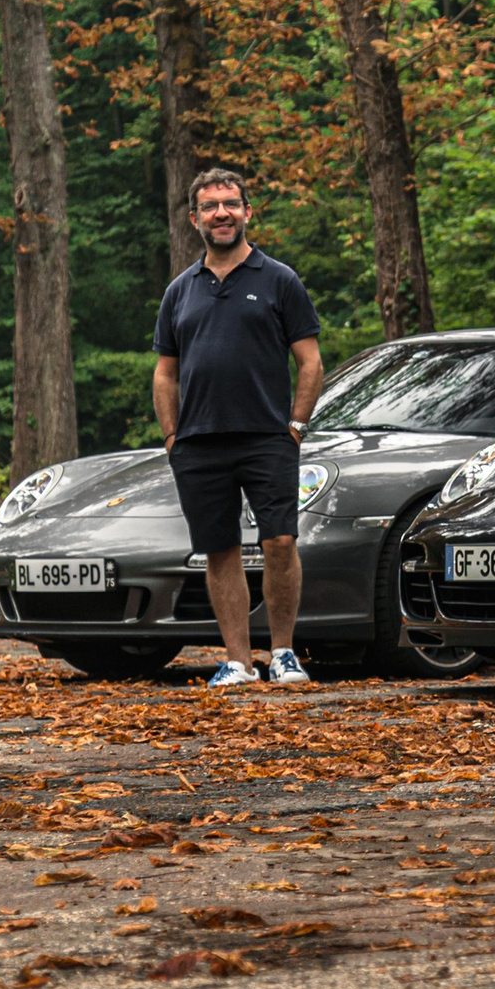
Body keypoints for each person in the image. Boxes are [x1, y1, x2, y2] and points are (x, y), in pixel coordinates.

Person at [152, 168, 325, 688]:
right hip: (199, 443)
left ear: (247, 212)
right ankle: (238, 662)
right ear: (195, 219)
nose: (221, 213)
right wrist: (172, 438)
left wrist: (295, 426)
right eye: (210, 207)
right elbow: (165, 373)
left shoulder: (279, 280)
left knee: (280, 543)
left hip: (268, 438)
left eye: (230, 204)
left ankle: (284, 654)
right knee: (220, 549)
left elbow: (310, 362)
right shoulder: (180, 291)